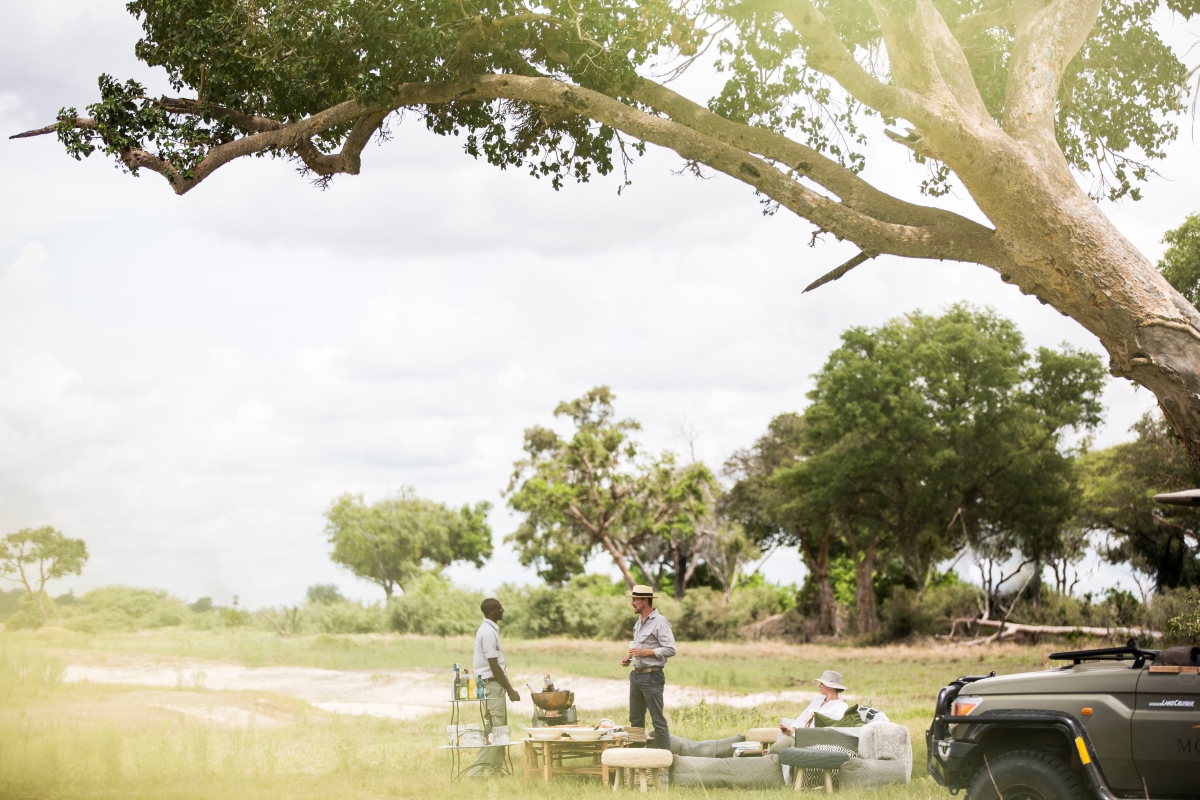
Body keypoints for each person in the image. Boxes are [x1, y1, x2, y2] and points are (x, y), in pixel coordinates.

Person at [465, 597, 520, 778]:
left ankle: (494, 770)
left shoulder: (490, 630)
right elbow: (494, 665)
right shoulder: (488, 632)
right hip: (492, 685)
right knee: (496, 729)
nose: (502, 610)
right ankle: (475, 772)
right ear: (491, 612)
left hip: (493, 685)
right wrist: (510, 690)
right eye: (499, 608)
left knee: (499, 728)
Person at [621, 584, 676, 751]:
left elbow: (670, 649)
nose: (632, 603)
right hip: (636, 676)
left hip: (652, 677)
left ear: (645, 601)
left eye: (635, 600)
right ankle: (636, 763)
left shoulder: (660, 622)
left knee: (657, 721)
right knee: (635, 721)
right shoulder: (639, 622)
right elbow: (639, 647)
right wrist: (630, 656)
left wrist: (645, 652)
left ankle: (664, 766)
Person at [780, 669, 848, 736]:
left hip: (812, 739)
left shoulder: (842, 705)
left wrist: (814, 714)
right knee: (776, 747)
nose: (819, 686)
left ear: (829, 686)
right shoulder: (817, 700)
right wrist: (791, 730)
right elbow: (802, 717)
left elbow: (837, 717)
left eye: (822, 683)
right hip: (797, 735)